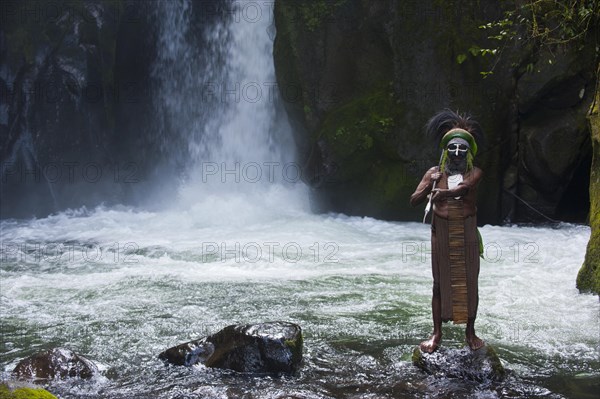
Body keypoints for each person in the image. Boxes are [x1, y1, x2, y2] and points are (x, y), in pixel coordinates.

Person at [410, 110, 484, 353]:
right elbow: (414, 200)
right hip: (440, 230)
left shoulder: (474, 172)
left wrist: (446, 193)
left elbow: (464, 188)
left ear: (468, 152)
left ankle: (470, 332)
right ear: (445, 151)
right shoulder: (434, 173)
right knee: (439, 283)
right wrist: (430, 187)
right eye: (452, 149)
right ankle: (436, 333)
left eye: (462, 150)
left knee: (470, 282)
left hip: (466, 231)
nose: (457, 154)